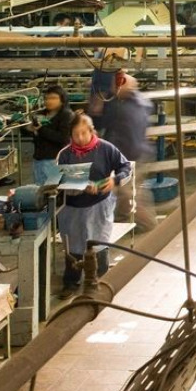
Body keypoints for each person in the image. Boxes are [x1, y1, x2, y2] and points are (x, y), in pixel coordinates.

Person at [56, 114, 132, 298]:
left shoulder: (106, 149)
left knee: (99, 245)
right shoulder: (65, 155)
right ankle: (71, 283)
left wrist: (115, 180)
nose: (80, 138)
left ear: (92, 132)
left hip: (99, 206)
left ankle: (101, 283)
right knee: (73, 248)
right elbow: (58, 180)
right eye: (76, 134)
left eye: (84, 133)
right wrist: (80, 185)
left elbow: (126, 167)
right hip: (72, 208)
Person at [100, 75, 157, 231]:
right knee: (126, 193)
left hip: (131, 156)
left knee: (129, 193)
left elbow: (129, 138)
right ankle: (122, 220)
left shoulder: (128, 109)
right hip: (133, 154)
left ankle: (149, 225)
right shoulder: (132, 103)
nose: (113, 88)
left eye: (117, 85)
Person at [25, 84, 74, 185]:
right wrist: (28, 129)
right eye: (46, 98)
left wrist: (41, 129)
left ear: (62, 99)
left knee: (53, 190)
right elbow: (32, 132)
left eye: (53, 98)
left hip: (54, 160)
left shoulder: (66, 115)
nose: (48, 101)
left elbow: (63, 138)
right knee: (39, 189)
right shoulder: (41, 114)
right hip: (39, 159)